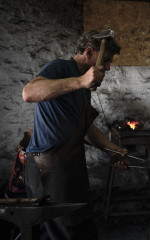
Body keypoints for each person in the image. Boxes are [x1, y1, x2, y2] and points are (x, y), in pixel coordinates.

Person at [22, 30, 129, 240]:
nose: (108, 67)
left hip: (70, 165)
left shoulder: (84, 87)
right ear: (89, 52)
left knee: (81, 227)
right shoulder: (61, 67)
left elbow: (85, 129)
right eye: (105, 61)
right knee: (64, 231)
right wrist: (80, 81)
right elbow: (28, 93)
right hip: (48, 167)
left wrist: (113, 149)